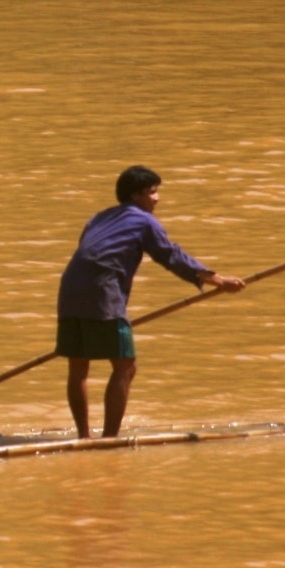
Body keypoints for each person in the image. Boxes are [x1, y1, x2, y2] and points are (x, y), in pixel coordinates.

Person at [56, 166, 246, 439]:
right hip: (102, 291)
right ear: (134, 196)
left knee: (78, 365)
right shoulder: (144, 221)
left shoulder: (98, 218)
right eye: (152, 192)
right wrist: (219, 280)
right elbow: (170, 255)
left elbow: (92, 253)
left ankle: (83, 436)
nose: (157, 199)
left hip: (70, 289)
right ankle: (109, 439)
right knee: (126, 365)